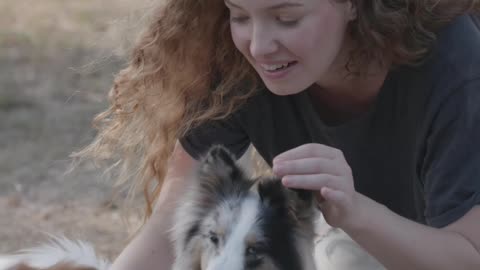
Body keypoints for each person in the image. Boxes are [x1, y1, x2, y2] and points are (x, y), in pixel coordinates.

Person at [76, 0, 480, 269]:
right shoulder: (233, 63)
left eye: (287, 18)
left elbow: (468, 257)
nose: (259, 45)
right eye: (239, 15)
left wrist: (356, 212)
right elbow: (175, 222)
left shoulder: (456, 66)